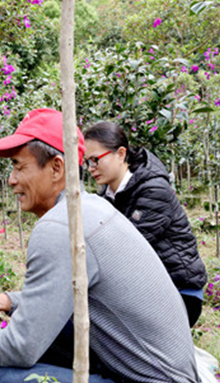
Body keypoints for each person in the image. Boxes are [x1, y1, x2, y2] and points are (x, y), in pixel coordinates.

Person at [0, 109, 202, 383]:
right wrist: (2, 301)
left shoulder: (59, 226)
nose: (11, 180)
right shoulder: (91, 207)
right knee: (53, 335)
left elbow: (23, 346)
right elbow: (65, 299)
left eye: (18, 167)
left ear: (56, 168)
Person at [83, 121, 206, 326]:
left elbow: (127, 249)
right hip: (148, 287)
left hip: (179, 292)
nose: (91, 168)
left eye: (95, 160)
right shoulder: (108, 194)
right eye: (87, 162)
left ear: (121, 154)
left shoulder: (153, 190)